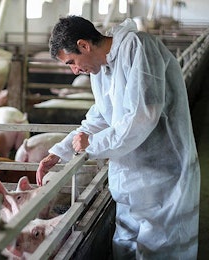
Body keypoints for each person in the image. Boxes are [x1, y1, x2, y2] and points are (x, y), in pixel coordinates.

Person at [36, 16, 200, 259]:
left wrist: (92, 144)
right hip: (131, 178)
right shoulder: (101, 71)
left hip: (164, 176)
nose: (74, 70)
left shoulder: (138, 47)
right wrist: (59, 152)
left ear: (84, 45)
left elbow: (144, 115)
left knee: (162, 249)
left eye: (72, 62)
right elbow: (101, 116)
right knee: (126, 246)